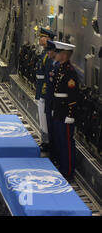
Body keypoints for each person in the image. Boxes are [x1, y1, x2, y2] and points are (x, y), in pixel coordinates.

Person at [52, 41, 78, 180]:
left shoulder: (70, 72)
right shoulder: (61, 69)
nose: (56, 55)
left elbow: (73, 96)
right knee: (60, 140)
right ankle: (62, 166)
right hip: (58, 110)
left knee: (67, 142)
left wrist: (70, 115)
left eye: (58, 52)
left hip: (65, 113)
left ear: (64, 54)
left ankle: (68, 171)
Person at [35, 27, 56, 152]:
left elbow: (48, 77)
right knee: (42, 119)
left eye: (41, 36)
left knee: (45, 118)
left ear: (48, 39)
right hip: (41, 91)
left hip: (44, 92)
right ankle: (45, 140)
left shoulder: (48, 56)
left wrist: (43, 94)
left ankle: (47, 142)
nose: (39, 39)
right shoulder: (44, 54)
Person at [44, 40, 59, 163]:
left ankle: (56, 156)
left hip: (55, 103)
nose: (47, 52)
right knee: (50, 128)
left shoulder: (59, 67)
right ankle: (52, 154)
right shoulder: (50, 62)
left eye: (49, 50)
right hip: (49, 101)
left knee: (56, 132)